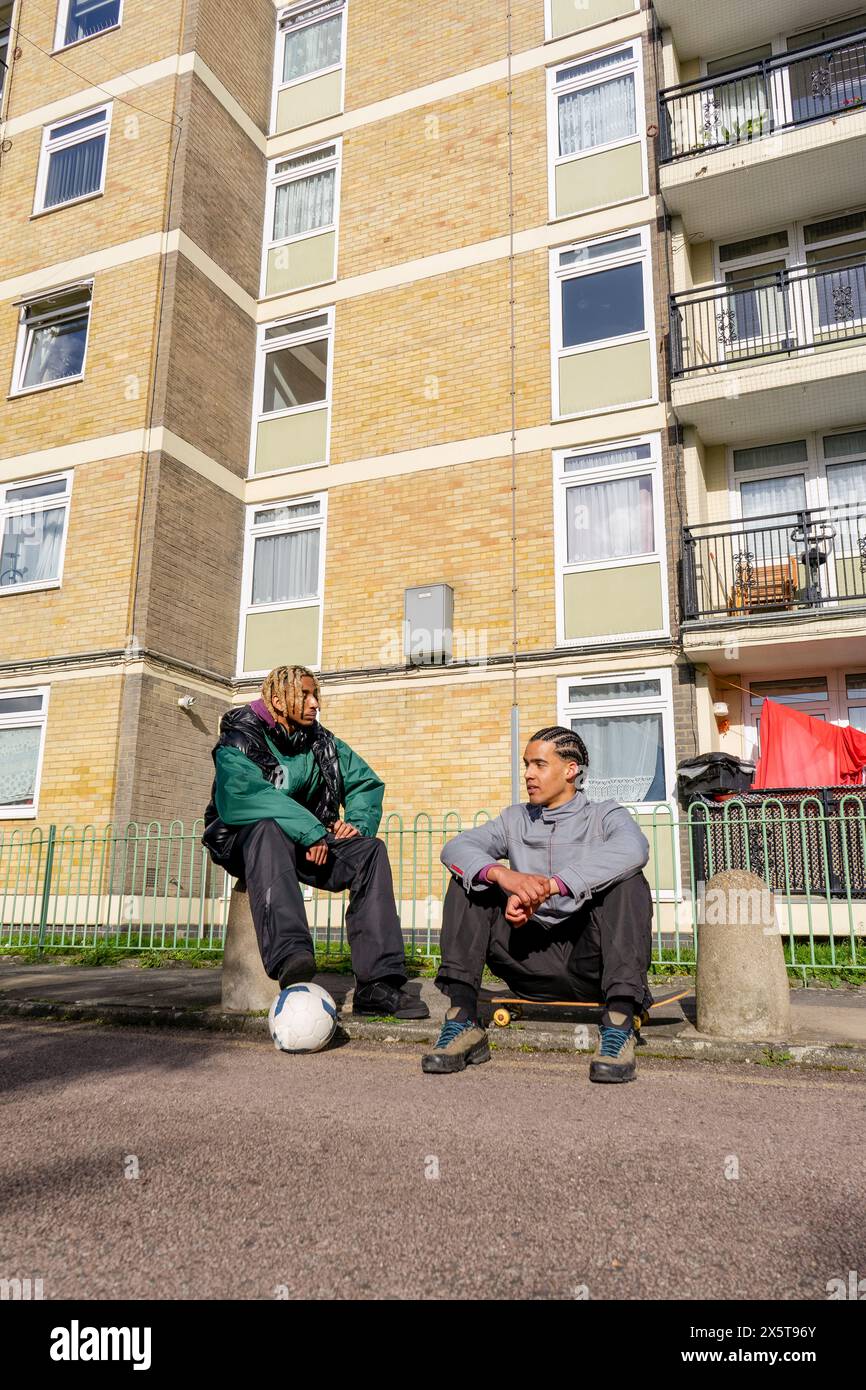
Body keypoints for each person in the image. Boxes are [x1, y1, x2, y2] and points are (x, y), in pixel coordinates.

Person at [422, 726, 653, 1082]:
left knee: (629, 881)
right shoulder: (514, 819)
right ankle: (462, 1020)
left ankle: (620, 1023)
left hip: (589, 963)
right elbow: (455, 848)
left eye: (539, 764)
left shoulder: (604, 815)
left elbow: (633, 849)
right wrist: (503, 876)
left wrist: (552, 886)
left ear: (571, 770)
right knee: (469, 880)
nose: (528, 774)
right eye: (527, 764)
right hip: (527, 961)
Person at [202, 664, 429, 1020]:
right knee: (267, 827)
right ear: (278, 700)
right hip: (245, 841)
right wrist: (310, 829)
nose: (314, 703)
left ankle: (378, 984)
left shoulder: (323, 742)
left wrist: (356, 823)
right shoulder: (239, 738)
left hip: (312, 839)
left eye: (315, 694)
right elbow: (243, 796)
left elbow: (365, 784)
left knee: (369, 853)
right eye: (304, 695)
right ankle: (291, 954)